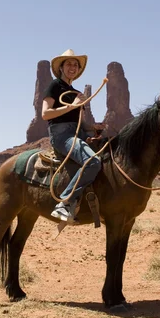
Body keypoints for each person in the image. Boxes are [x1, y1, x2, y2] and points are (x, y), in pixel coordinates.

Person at [41, 49, 102, 222]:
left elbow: (79, 123)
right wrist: (73, 105)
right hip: (61, 135)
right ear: (61, 67)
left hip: (77, 133)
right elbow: (45, 114)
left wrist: (93, 127)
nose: (72, 67)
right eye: (68, 64)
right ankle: (65, 203)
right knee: (92, 162)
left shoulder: (75, 92)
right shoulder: (55, 86)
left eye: (75, 65)